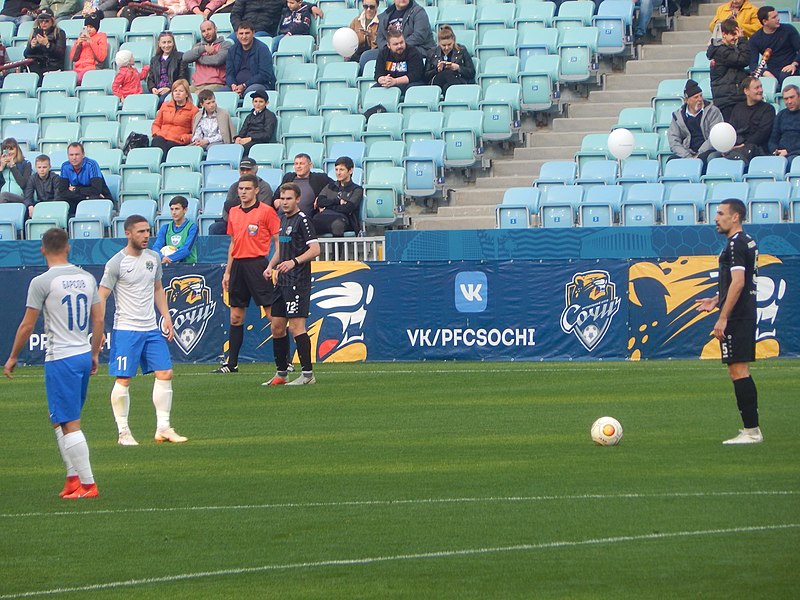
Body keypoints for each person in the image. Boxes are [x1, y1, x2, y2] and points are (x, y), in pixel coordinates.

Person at [4, 228, 104, 498]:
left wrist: (13, 356)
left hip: (61, 357)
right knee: (59, 419)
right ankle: (72, 479)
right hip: (82, 354)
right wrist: (94, 354)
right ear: (68, 248)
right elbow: (98, 321)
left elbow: (27, 324)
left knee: (70, 422)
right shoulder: (86, 277)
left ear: (42, 250)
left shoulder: (42, 282)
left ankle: (88, 484)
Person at [99, 214, 188, 445]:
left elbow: (158, 289)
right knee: (124, 379)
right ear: (128, 233)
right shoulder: (116, 263)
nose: (146, 235)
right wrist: (98, 331)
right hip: (126, 329)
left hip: (150, 328)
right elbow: (101, 297)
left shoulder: (153, 258)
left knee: (165, 373)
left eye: (148, 231)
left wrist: (166, 316)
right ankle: (123, 432)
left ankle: (163, 428)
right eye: (140, 231)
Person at [695, 199, 761, 445]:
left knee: (738, 370)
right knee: (738, 371)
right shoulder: (745, 242)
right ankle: (751, 428)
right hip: (742, 312)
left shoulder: (735, 244)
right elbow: (737, 283)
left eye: (721, 213)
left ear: (735, 217)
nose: (716, 218)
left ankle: (752, 431)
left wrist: (723, 317)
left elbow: (739, 283)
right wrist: (715, 299)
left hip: (738, 315)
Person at [213, 173, 280, 374]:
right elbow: (233, 243)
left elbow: (279, 241)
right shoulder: (233, 212)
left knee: (272, 314)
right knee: (235, 316)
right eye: (240, 189)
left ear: (256, 190)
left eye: (247, 188)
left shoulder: (267, 212)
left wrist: (272, 265)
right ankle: (231, 363)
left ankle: (284, 361)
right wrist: (227, 271)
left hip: (258, 264)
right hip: (238, 267)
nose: (243, 192)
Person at [263, 182, 320, 386]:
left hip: (298, 281)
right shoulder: (282, 220)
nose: (284, 202)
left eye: (289, 198)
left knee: (296, 327)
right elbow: (282, 248)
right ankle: (281, 373)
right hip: (282, 281)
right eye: (282, 198)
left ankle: (307, 375)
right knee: (277, 327)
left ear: (297, 199)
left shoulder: (303, 220)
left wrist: (294, 261)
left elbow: (315, 249)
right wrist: (271, 265)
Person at [208, 158, 273, 235]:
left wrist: (237, 206)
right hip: (234, 222)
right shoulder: (234, 186)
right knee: (215, 227)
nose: (245, 172)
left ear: (255, 170)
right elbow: (226, 210)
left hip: (255, 223)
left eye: (248, 169)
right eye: (242, 169)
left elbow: (262, 211)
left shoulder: (264, 187)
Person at [666, 79, 724, 164]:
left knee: (706, 158)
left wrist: (699, 154)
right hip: (688, 152)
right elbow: (674, 140)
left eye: (701, 96)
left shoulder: (713, 111)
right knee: (671, 160)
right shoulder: (678, 116)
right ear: (687, 100)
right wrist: (687, 156)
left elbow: (715, 136)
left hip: (707, 150)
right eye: (696, 97)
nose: (700, 99)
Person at [707, 18, 751, 121]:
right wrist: (743, 40)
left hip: (731, 98)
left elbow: (734, 70)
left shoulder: (727, 49)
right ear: (723, 34)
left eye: (736, 34)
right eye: (733, 34)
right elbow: (744, 60)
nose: (736, 38)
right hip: (728, 100)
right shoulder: (721, 51)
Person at [725, 76, 776, 163]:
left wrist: (744, 145)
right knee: (713, 156)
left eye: (761, 86)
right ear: (746, 91)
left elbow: (763, 133)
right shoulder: (737, 108)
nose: (760, 90)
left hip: (758, 149)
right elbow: (732, 130)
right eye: (756, 88)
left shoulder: (768, 109)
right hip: (736, 146)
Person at [56, 142, 112, 218]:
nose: (74, 158)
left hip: (99, 197)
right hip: (82, 197)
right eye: (71, 155)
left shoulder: (92, 164)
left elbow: (96, 190)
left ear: (83, 154)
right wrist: (85, 197)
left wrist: (75, 189)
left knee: (93, 198)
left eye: (77, 154)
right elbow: (62, 191)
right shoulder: (65, 166)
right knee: (59, 199)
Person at [748, 6, 800, 85]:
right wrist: (764, 72)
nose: (778, 19)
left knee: (784, 76)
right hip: (772, 71)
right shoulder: (755, 39)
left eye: (777, 16)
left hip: (792, 68)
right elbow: (753, 64)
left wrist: (794, 64)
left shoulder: (789, 30)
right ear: (765, 21)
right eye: (774, 17)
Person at [313, 156, 363, 236]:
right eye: (336, 170)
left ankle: (338, 249)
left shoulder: (357, 189)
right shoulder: (330, 186)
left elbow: (348, 208)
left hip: (343, 219)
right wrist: (338, 202)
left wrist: (327, 206)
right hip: (324, 217)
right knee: (308, 224)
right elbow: (320, 202)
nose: (338, 173)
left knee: (337, 225)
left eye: (341, 170)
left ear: (350, 170)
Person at [273, 152, 332, 217]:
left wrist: (321, 198)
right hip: (282, 218)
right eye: (296, 164)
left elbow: (336, 187)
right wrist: (278, 202)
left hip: (306, 219)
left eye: (302, 164)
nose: (298, 166)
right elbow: (275, 198)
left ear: (310, 165)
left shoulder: (319, 178)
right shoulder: (288, 177)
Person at [226, 21, 276, 96]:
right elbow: (229, 73)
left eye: (247, 33)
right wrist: (233, 85)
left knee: (249, 93)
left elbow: (264, 75)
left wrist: (244, 85)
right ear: (237, 35)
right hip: (237, 86)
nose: (244, 36)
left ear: (253, 33)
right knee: (221, 92)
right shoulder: (232, 50)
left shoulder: (262, 49)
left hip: (259, 84)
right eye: (241, 33)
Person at [151, 78, 200, 155]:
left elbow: (196, 132)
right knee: (157, 140)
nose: (177, 93)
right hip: (162, 137)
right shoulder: (165, 105)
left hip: (177, 141)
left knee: (167, 146)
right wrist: (157, 133)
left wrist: (185, 138)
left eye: (181, 91)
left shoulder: (193, 110)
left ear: (186, 94)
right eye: (175, 91)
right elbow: (156, 124)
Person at [182, 19, 232, 93]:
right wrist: (204, 48)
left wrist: (198, 58)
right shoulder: (199, 46)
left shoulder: (225, 44)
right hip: (196, 85)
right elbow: (185, 58)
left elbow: (218, 60)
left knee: (201, 94)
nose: (206, 33)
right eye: (203, 31)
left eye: (209, 29)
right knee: (178, 94)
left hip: (216, 84)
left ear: (215, 29)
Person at [373, 29, 425, 98]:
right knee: (374, 90)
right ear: (388, 45)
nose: (399, 46)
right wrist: (383, 80)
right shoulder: (383, 53)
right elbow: (378, 74)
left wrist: (395, 81)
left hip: (409, 83)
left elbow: (415, 75)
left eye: (401, 42)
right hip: (389, 84)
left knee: (412, 89)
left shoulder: (413, 52)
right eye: (396, 44)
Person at [424, 24, 475, 93]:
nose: (447, 48)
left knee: (447, 87)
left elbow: (471, 72)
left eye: (449, 44)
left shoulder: (462, 50)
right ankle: (460, 92)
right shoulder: (431, 53)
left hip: (457, 78)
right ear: (439, 43)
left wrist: (458, 68)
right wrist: (437, 70)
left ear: (453, 41)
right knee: (446, 73)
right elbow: (425, 76)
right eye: (443, 45)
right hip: (437, 81)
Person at [23, 9, 67, 83]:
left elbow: (60, 53)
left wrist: (47, 44)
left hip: (53, 67)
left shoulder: (59, 33)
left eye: (47, 21)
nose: (43, 23)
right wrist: (31, 47)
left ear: (52, 21)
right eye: (41, 21)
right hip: (37, 67)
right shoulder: (34, 33)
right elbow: (26, 54)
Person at [146, 31, 189, 106]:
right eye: (164, 42)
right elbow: (151, 78)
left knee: (161, 101)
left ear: (173, 43)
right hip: (157, 90)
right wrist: (152, 88)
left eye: (169, 42)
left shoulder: (180, 57)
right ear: (159, 44)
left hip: (172, 89)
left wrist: (169, 88)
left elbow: (182, 77)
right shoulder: (154, 59)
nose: (166, 45)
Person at [153, 195, 199, 264]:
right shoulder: (165, 228)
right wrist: (162, 257)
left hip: (187, 267)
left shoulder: (192, 227)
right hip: (169, 266)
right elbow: (156, 247)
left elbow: (186, 249)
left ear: (185, 210)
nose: (174, 212)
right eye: (172, 209)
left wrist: (169, 258)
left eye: (177, 209)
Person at [233, 90, 277, 156]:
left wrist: (250, 138)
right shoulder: (249, 116)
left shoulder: (270, 115)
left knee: (241, 150)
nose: (257, 104)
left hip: (259, 142)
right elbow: (243, 130)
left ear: (266, 103)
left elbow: (267, 135)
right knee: (231, 148)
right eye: (255, 101)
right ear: (252, 102)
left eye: (261, 102)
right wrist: (238, 138)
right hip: (247, 140)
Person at [70, 12, 107, 84]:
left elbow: (101, 57)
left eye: (91, 27)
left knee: (79, 78)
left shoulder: (101, 37)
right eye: (87, 27)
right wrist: (78, 45)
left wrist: (91, 42)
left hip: (92, 68)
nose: (89, 29)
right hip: (78, 69)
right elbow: (73, 58)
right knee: (68, 78)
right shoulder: (81, 37)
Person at [767, 84, 800, 161]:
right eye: (786, 99)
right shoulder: (781, 115)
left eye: (792, 97)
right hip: (780, 154)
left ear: (799, 96)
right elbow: (773, 139)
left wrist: (788, 151)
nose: (789, 102)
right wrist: (775, 151)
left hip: (796, 154)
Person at [0, 138, 32, 207]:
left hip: (20, 198)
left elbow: (24, 184)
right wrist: (1, 169)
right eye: (6, 149)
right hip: (2, 199)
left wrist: (12, 167)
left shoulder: (25, 164)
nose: (9, 152)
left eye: (11, 149)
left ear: (17, 150)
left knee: (4, 195)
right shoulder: (1, 165)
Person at [349, 0, 379, 66]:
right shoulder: (356, 21)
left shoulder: (381, 21)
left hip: (373, 54)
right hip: (356, 54)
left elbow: (382, 44)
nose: (368, 9)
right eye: (365, 6)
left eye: (372, 7)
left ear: (377, 6)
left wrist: (372, 37)